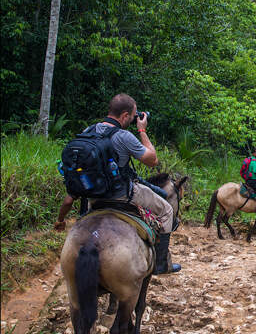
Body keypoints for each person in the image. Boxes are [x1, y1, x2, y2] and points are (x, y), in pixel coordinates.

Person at [54, 93, 180, 275]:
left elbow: (68, 200)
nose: (134, 119)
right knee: (167, 210)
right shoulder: (123, 136)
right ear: (124, 116)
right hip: (122, 195)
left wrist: (60, 220)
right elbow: (152, 160)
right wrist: (142, 130)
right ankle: (161, 265)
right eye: (133, 115)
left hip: (93, 197)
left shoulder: (89, 131)